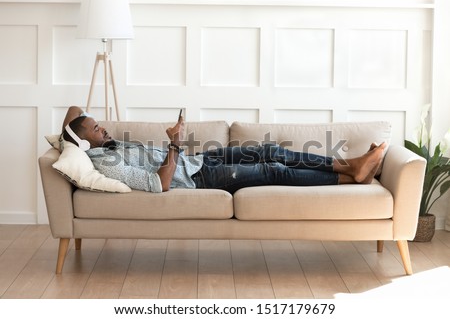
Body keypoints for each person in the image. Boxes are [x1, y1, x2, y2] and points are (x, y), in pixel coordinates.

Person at [61, 106, 386, 194]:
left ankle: (351, 165)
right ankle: (351, 177)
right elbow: (158, 185)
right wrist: (175, 141)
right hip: (201, 178)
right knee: (273, 170)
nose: (102, 127)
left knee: (270, 150)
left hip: (200, 160)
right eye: (94, 128)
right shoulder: (103, 163)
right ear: (83, 140)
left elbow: (74, 115)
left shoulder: (112, 144)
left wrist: (179, 146)